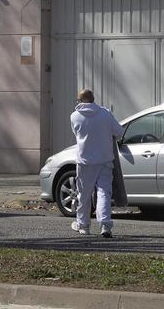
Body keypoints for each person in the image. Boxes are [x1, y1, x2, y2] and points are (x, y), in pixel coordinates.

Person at [69, 88, 124, 238]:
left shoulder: (75, 116)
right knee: (104, 193)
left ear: (79, 101)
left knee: (84, 195)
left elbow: (76, 133)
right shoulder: (105, 114)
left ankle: (83, 225)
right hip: (105, 160)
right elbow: (119, 132)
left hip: (85, 162)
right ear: (93, 99)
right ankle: (105, 225)